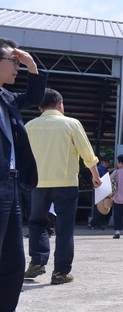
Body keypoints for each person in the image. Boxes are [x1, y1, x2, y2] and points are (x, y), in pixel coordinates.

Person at [23, 88, 102, 285]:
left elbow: (22, 156)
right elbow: (86, 152)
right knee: (64, 227)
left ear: (39, 107)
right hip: (66, 183)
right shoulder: (71, 124)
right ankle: (60, 272)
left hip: (38, 183)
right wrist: (95, 176)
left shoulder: (29, 126)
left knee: (37, 222)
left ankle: (37, 262)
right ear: (60, 104)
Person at [0, 40, 45, 312]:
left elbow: (35, 96)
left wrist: (31, 65)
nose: (16, 67)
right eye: (12, 62)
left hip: (11, 185)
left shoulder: (6, 97)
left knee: (14, 259)